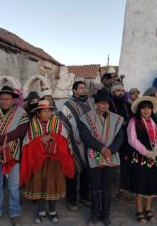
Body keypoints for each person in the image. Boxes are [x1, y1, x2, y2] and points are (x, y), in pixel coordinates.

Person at [20, 100, 75, 224]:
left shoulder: (58, 124)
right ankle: (41, 212)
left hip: (54, 161)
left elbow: (66, 140)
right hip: (38, 162)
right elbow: (26, 143)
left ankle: (52, 211)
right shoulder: (32, 125)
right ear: (38, 113)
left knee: (52, 186)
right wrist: (40, 139)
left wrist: (52, 136)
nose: (47, 113)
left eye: (49, 111)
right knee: (39, 186)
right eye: (44, 111)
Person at [0, 86, 29, 226]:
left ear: (13, 99)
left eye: (7, 99)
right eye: (1, 99)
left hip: (13, 154)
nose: (4, 101)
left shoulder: (21, 113)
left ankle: (15, 213)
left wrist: (0, 140)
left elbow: (20, 131)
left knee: (14, 186)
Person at [78, 89, 124, 225]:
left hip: (111, 156)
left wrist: (112, 149)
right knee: (95, 189)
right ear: (96, 103)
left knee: (107, 189)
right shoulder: (86, 118)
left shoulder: (116, 119)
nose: (104, 106)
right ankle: (93, 215)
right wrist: (102, 148)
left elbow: (120, 137)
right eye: (101, 103)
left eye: (107, 103)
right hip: (94, 156)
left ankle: (105, 215)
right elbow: (85, 136)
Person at [127, 96, 157, 222]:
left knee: (151, 183)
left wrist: (156, 150)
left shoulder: (156, 121)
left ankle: (148, 208)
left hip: (154, 156)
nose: (146, 111)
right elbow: (132, 139)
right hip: (140, 157)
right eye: (143, 108)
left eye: (148, 108)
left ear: (152, 110)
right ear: (139, 110)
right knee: (140, 183)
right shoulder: (134, 121)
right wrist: (146, 152)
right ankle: (139, 209)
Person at [59, 81, 93, 210]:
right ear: (74, 90)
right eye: (81, 88)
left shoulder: (90, 103)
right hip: (73, 143)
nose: (84, 90)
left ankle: (84, 196)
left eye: (85, 88)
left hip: (89, 143)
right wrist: (68, 142)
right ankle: (71, 200)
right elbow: (63, 125)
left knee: (87, 172)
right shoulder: (67, 106)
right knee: (72, 173)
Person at [109, 83, 133, 201]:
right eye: (118, 91)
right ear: (113, 93)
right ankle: (110, 189)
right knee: (111, 163)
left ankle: (124, 189)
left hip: (126, 139)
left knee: (125, 164)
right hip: (112, 139)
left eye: (122, 90)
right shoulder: (109, 105)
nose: (121, 92)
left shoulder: (128, 105)